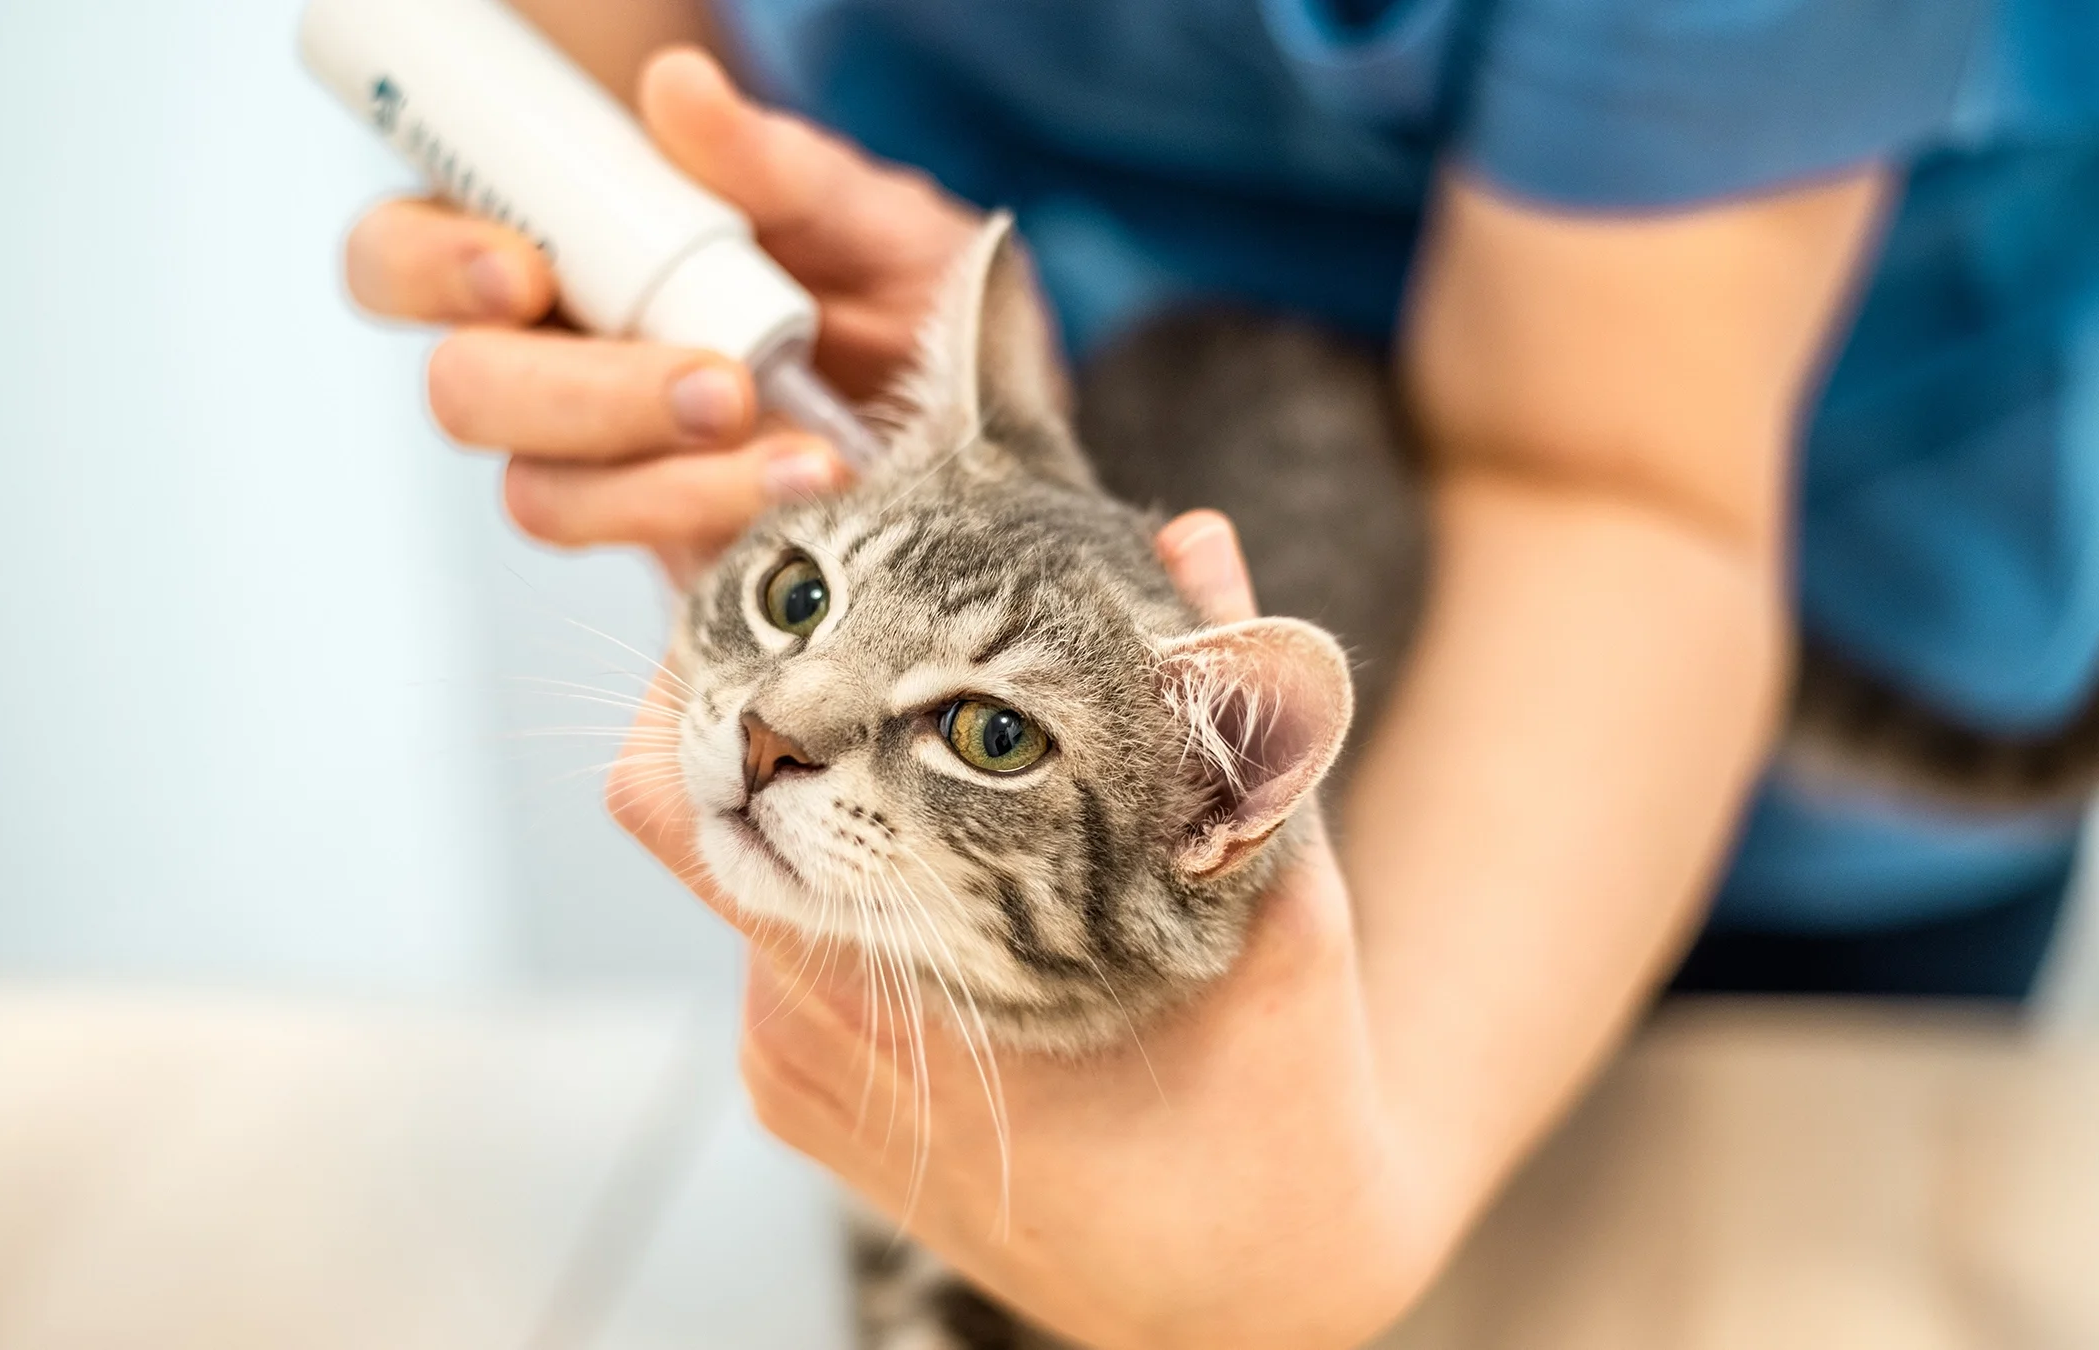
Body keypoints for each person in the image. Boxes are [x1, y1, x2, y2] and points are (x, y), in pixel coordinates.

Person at [338, 2, 2099, 1344]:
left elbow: (1610, 483)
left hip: (1778, 567)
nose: (774, 737)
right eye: (802, 617)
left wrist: (1337, 1227)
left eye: (985, 728)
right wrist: (640, 223)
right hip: (1052, 413)